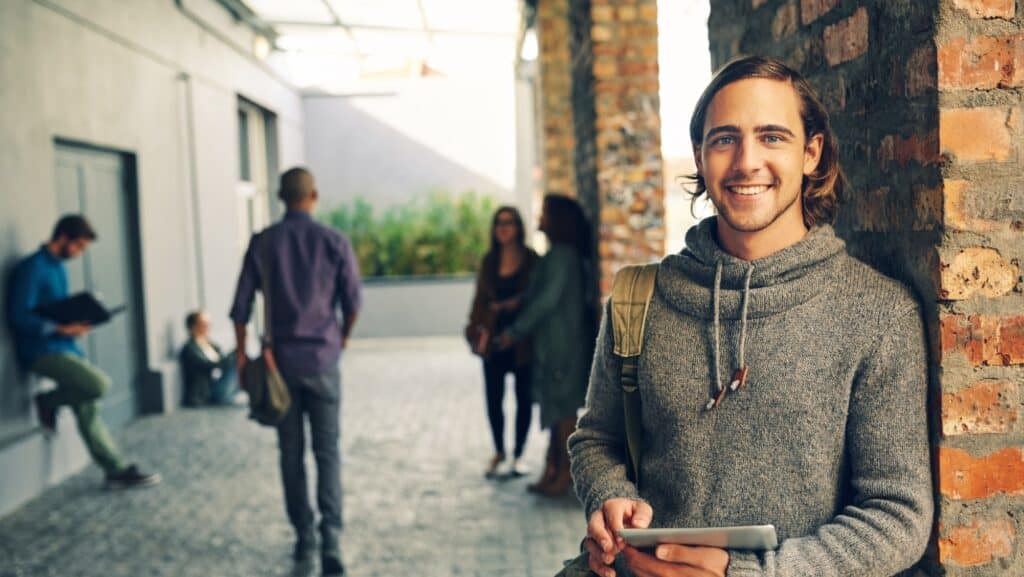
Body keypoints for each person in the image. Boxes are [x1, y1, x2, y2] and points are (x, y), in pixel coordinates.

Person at [571, 56, 932, 577]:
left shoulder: (878, 314)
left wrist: (749, 573)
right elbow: (597, 437)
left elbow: (897, 516)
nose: (746, 162)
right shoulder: (639, 299)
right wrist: (609, 496)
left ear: (811, 153)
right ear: (700, 155)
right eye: (724, 139)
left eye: (772, 137)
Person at [230, 167, 361, 576]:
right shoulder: (334, 240)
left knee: (291, 454)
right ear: (313, 195)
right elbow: (353, 301)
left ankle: (304, 538)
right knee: (328, 452)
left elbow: (240, 305)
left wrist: (240, 355)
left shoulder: (264, 242)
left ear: (281, 197)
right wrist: (341, 339)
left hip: (279, 367)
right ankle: (332, 540)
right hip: (323, 362)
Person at [6, 214, 161, 489]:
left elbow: (57, 309)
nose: (79, 254)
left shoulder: (59, 269)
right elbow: (18, 315)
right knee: (98, 385)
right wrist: (59, 329)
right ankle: (48, 401)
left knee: (89, 407)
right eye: (79, 246)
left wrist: (75, 324)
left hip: (66, 346)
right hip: (40, 350)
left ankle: (115, 469)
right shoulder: (33, 268)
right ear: (63, 236)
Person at [495, 195, 595, 497]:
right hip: (557, 345)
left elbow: (545, 301)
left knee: (563, 412)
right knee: (556, 412)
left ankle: (565, 474)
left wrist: (515, 331)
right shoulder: (560, 255)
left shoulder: (562, 256)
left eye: (544, 213)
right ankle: (553, 469)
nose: (539, 217)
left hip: (562, 347)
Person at [466, 207, 539, 478]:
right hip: (494, 340)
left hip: (522, 342)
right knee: (493, 399)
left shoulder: (532, 260)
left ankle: (519, 455)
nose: (503, 227)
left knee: (524, 399)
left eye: (509, 222)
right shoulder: (489, 261)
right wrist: (473, 328)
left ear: (519, 227)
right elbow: (479, 299)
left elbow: (536, 299)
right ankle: (499, 450)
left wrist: (516, 304)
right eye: (499, 223)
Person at [179, 310, 238, 407]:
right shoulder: (190, 348)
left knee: (240, 359)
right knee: (237, 358)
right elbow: (208, 365)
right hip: (208, 392)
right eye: (203, 324)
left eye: (208, 324)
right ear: (193, 326)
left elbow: (222, 361)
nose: (207, 327)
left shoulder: (211, 345)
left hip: (219, 382)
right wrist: (233, 355)